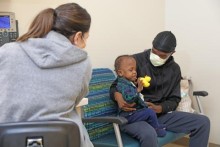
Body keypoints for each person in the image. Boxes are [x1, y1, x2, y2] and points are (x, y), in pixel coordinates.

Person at [0, 3, 93, 147]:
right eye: (85, 39)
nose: (85, 45)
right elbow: (75, 99)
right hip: (63, 141)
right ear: (78, 36)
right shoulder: (83, 61)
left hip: (9, 140)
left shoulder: (7, 51)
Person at [110, 31, 210, 147]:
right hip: (136, 115)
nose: (156, 57)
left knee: (203, 122)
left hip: (161, 115)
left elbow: (174, 99)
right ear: (152, 46)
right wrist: (117, 96)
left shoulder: (174, 69)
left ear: (172, 53)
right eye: (154, 52)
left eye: (162, 55)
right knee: (149, 133)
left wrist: (159, 108)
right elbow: (115, 85)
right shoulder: (135, 61)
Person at [112, 55, 166, 137]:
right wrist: (138, 89)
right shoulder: (122, 85)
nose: (134, 72)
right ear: (120, 72)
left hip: (132, 112)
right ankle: (156, 129)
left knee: (148, 109)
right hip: (127, 116)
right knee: (150, 112)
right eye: (131, 70)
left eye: (135, 69)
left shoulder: (128, 82)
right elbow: (129, 98)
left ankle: (155, 125)